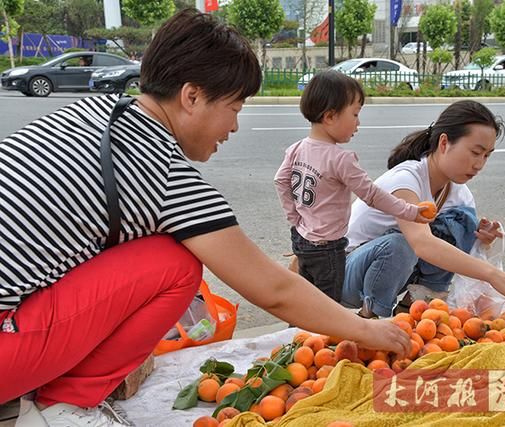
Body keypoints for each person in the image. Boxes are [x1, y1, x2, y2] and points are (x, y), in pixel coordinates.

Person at [0, 9, 411, 427]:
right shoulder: (161, 172)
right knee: (175, 266)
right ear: (191, 95)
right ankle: (63, 406)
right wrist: (366, 331)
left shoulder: (93, 113)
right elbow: (272, 288)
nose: (234, 126)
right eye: (234, 107)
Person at [341, 100, 505, 318]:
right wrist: (493, 275)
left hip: (393, 272)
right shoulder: (406, 179)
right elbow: (422, 244)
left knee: (463, 222)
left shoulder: (458, 192)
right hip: (347, 273)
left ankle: (414, 306)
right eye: (476, 152)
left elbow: (453, 249)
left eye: (487, 155)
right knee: (401, 245)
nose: (480, 164)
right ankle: (371, 317)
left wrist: (479, 239)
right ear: (444, 143)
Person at [274, 71, 430, 303]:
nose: (358, 122)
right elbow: (372, 195)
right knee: (327, 306)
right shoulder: (340, 159)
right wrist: (410, 211)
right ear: (330, 117)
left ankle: (295, 336)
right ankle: (320, 336)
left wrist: (294, 218)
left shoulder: (297, 148)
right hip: (328, 248)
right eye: (355, 114)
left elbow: (280, 180)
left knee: (303, 300)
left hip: (301, 239)